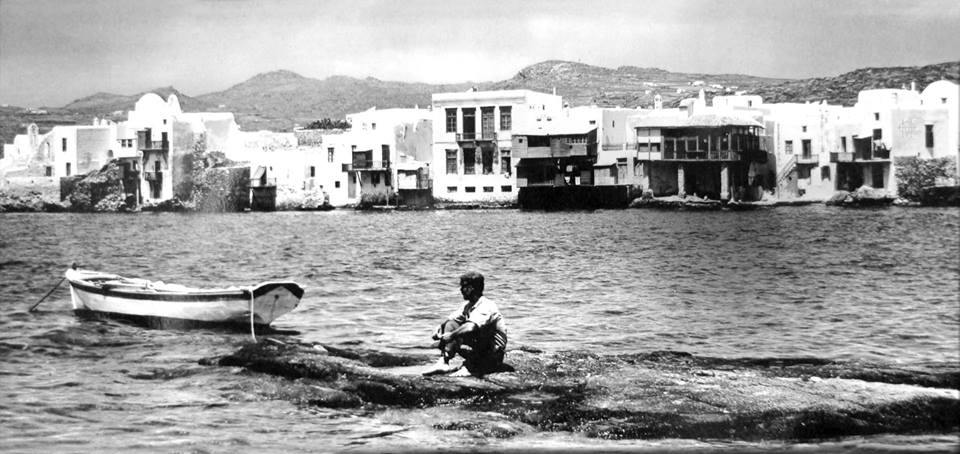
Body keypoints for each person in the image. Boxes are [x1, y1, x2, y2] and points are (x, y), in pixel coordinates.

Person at [423, 271, 507, 377]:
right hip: (479, 350)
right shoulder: (468, 306)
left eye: (463, 287)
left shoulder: (486, 306)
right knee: (451, 324)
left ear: (471, 288)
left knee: (466, 329)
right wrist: (440, 328)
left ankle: (471, 367)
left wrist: (451, 336)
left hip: (493, 354)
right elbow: (452, 320)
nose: (461, 290)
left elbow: (470, 327)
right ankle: (443, 362)